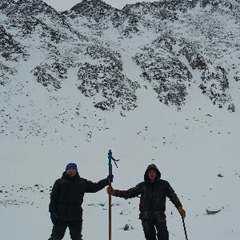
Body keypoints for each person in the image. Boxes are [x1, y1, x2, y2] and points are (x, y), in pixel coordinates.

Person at [107, 164, 186, 240]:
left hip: (159, 216)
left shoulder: (164, 185)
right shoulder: (142, 186)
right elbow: (129, 193)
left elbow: (173, 196)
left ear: (157, 173)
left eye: (153, 172)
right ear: (147, 174)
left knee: (163, 236)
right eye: (150, 172)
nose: (152, 174)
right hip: (146, 217)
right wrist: (115, 192)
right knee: (150, 238)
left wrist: (179, 207)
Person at [48, 162, 112, 240]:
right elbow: (53, 197)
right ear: (66, 170)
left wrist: (106, 181)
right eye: (69, 169)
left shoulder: (82, 182)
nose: (71, 170)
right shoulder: (59, 182)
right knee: (55, 237)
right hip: (61, 215)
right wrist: (52, 211)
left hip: (75, 215)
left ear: (76, 170)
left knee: (77, 238)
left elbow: (95, 187)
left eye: (73, 169)